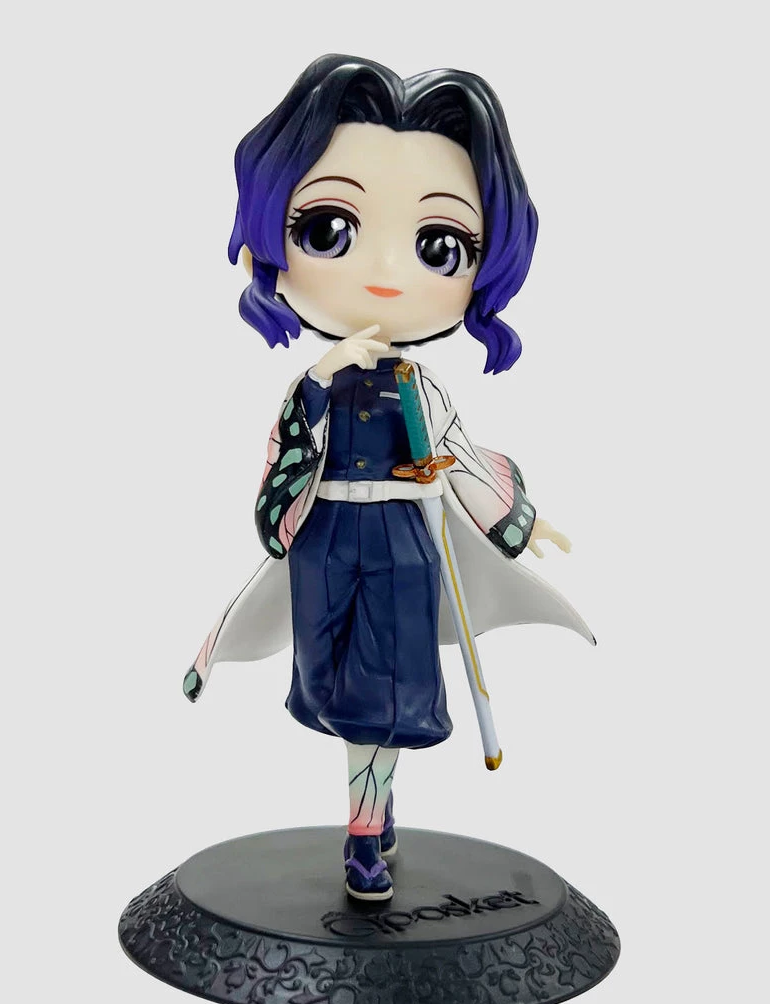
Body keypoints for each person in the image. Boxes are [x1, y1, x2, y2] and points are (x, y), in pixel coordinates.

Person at [183, 55, 594, 901]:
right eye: (329, 228)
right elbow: (281, 468)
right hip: (328, 543)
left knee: (387, 693)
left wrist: (520, 521)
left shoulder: (421, 388)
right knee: (340, 688)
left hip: (402, 547)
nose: (386, 272)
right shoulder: (315, 388)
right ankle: (372, 809)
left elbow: (462, 458)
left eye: (438, 246)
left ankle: (365, 830)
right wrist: (322, 376)